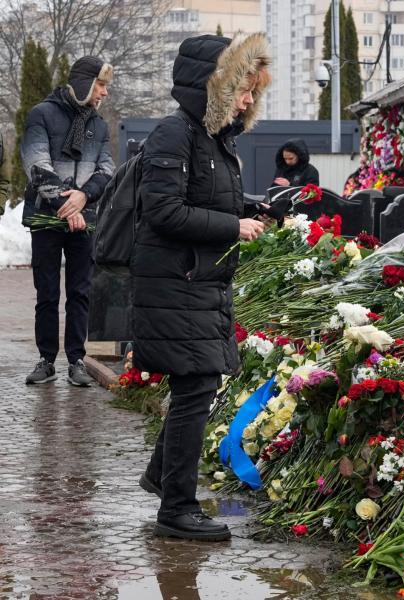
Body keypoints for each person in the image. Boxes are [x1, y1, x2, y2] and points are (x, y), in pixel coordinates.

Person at [133, 33, 270, 541]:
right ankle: (176, 509)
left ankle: (160, 476)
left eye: (253, 91)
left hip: (199, 281)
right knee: (196, 385)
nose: (249, 100)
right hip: (176, 281)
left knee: (198, 384)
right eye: (243, 89)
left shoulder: (212, 139)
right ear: (215, 86)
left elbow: (205, 200)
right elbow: (163, 211)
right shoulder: (176, 134)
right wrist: (233, 227)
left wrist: (249, 208)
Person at [21, 56, 114, 387]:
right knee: (46, 292)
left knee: (80, 292)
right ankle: (47, 360)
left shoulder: (99, 125)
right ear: (85, 83)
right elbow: (36, 164)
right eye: (100, 85)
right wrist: (68, 205)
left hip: (82, 220)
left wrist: (85, 197)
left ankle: (76, 359)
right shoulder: (41, 114)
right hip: (47, 218)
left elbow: (106, 169)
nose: (103, 93)